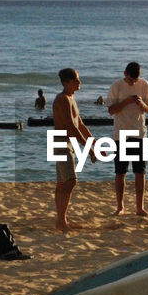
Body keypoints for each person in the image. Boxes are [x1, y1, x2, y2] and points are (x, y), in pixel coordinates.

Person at [106, 61, 148, 216]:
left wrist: (141, 104)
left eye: (135, 80)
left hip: (140, 133)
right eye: (131, 80)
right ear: (125, 73)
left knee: (140, 172)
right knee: (121, 172)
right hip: (121, 134)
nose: (133, 83)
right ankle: (120, 207)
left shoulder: (144, 84)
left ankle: (139, 207)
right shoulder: (116, 86)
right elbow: (111, 110)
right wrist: (126, 102)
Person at [52, 68, 95, 232]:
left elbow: (80, 124)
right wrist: (89, 150)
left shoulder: (71, 98)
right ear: (66, 82)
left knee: (63, 182)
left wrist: (93, 142)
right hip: (61, 141)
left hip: (66, 142)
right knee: (70, 181)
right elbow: (71, 127)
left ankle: (61, 221)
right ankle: (61, 221)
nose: (79, 83)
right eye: (76, 80)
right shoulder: (62, 99)